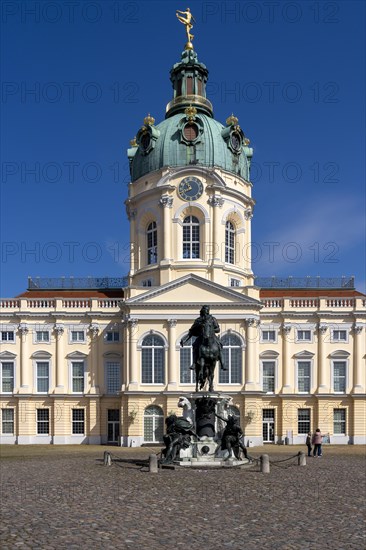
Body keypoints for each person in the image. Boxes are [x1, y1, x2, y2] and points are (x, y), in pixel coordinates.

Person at [180, 305, 226, 371]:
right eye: (205, 310)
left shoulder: (213, 319)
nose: (206, 311)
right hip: (201, 337)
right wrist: (184, 340)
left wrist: (212, 330)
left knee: (219, 345)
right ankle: (194, 363)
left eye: (207, 310)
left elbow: (218, 329)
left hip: (212, 336)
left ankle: (222, 364)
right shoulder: (198, 320)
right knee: (195, 346)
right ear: (202, 311)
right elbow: (191, 331)